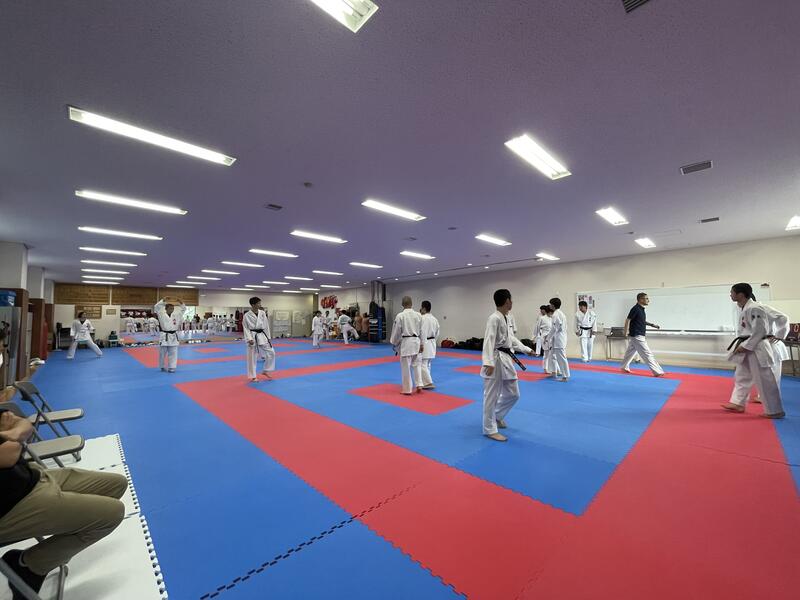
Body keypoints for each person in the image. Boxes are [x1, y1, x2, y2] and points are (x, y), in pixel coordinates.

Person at [0, 406, 127, 599]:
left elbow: (24, 424)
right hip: (10, 506)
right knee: (113, 514)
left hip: (33, 477)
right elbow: (9, 454)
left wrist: (12, 433)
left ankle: (42, 553)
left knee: (116, 485)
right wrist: (13, 434)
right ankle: (29, 565)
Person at [721, 284, 785, 418]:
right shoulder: (744, 308)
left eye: (732, 292)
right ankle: (738, 403)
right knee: (742, 375)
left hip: (757, 347)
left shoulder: (755, 308)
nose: (730, 295)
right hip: (748, 345)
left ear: (740, 294)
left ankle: (775, 411)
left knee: (764, 379)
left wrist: (746, 346)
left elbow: (760, 331)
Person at [481, 289, 535, 441]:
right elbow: (489, 340)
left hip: (505, 358)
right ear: (507, 301)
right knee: (491, 396)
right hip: (495, 360)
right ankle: (489, 429)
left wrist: (526, 349)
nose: (512, 302)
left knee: (513, 393)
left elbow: (510, 339)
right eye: (511, 300)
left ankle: (497, 415)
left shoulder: (505, 317)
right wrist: (488, 362)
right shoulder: (494, 318)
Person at [620, 292, 665, 377]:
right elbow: (628, 320)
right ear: (640, 299)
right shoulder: (635, 308)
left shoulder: (641, 309)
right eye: (646, 298)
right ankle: (657, 371)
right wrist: (625, 332)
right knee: (647, 353)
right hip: (637, 335)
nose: (648, 300)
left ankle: (624, 367)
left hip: (637, 335)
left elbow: (641, 321)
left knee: (630, 352)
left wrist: (652, 325)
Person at [389, 297, 424, 395]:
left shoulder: (400, 316)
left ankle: (407, 389)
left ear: (402, 304)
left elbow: (397, 330)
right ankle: (419, 384)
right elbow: (422, 330)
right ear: (411, 304)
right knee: (417, 365)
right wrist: (422, 343)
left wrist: (394, 342)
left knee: (406, 367)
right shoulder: (418, 315)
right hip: (417, 341)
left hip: (407, 342)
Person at [243, 297, 276, 381]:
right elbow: (245, 328)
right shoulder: (246, 315)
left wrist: (268, 337)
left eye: (260, 303)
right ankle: (253, 376)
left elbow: (266, 325)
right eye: (258, 303)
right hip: (252, 336)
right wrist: (249, 339)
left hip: (262, 335)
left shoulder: (262, 313)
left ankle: (266, 370)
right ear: (253, 305)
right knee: (252, 357)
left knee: (271, 352)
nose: (260, 305)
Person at [154, 297, 185, 373]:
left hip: (174, 335)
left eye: (173, 308)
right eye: (170, 308)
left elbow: (183, 309)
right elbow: (156, 307)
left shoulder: (176, 315)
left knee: (173, 352)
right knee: (162, 353)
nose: (172, 310)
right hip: (164, 335)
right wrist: (163, 300)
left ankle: (172, 367)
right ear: (166, 309)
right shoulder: (161, 314)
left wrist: (181, 302)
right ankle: (162, 366)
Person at [546, 298, 570, 381]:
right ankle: (554, 371)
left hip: (559, 338)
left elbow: (554, 328)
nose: (549, 306)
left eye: (550, 304)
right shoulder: (561, 313)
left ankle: (565, 376)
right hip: (559, 337)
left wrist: (548, 338)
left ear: (553, 305)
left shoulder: (556, 315)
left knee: (561, 358)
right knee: (553, 355)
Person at [419, 301, 440, 389]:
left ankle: (428, 382)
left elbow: (423, 332)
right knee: (428, 364)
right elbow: (437, 332)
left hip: (425, 342)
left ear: (424, 308)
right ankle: (425, 382)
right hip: (432, 342)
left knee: (422, 364)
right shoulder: (434, 319)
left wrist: (421, 343)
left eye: (421, 307)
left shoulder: (423, 318)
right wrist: (434, 341)